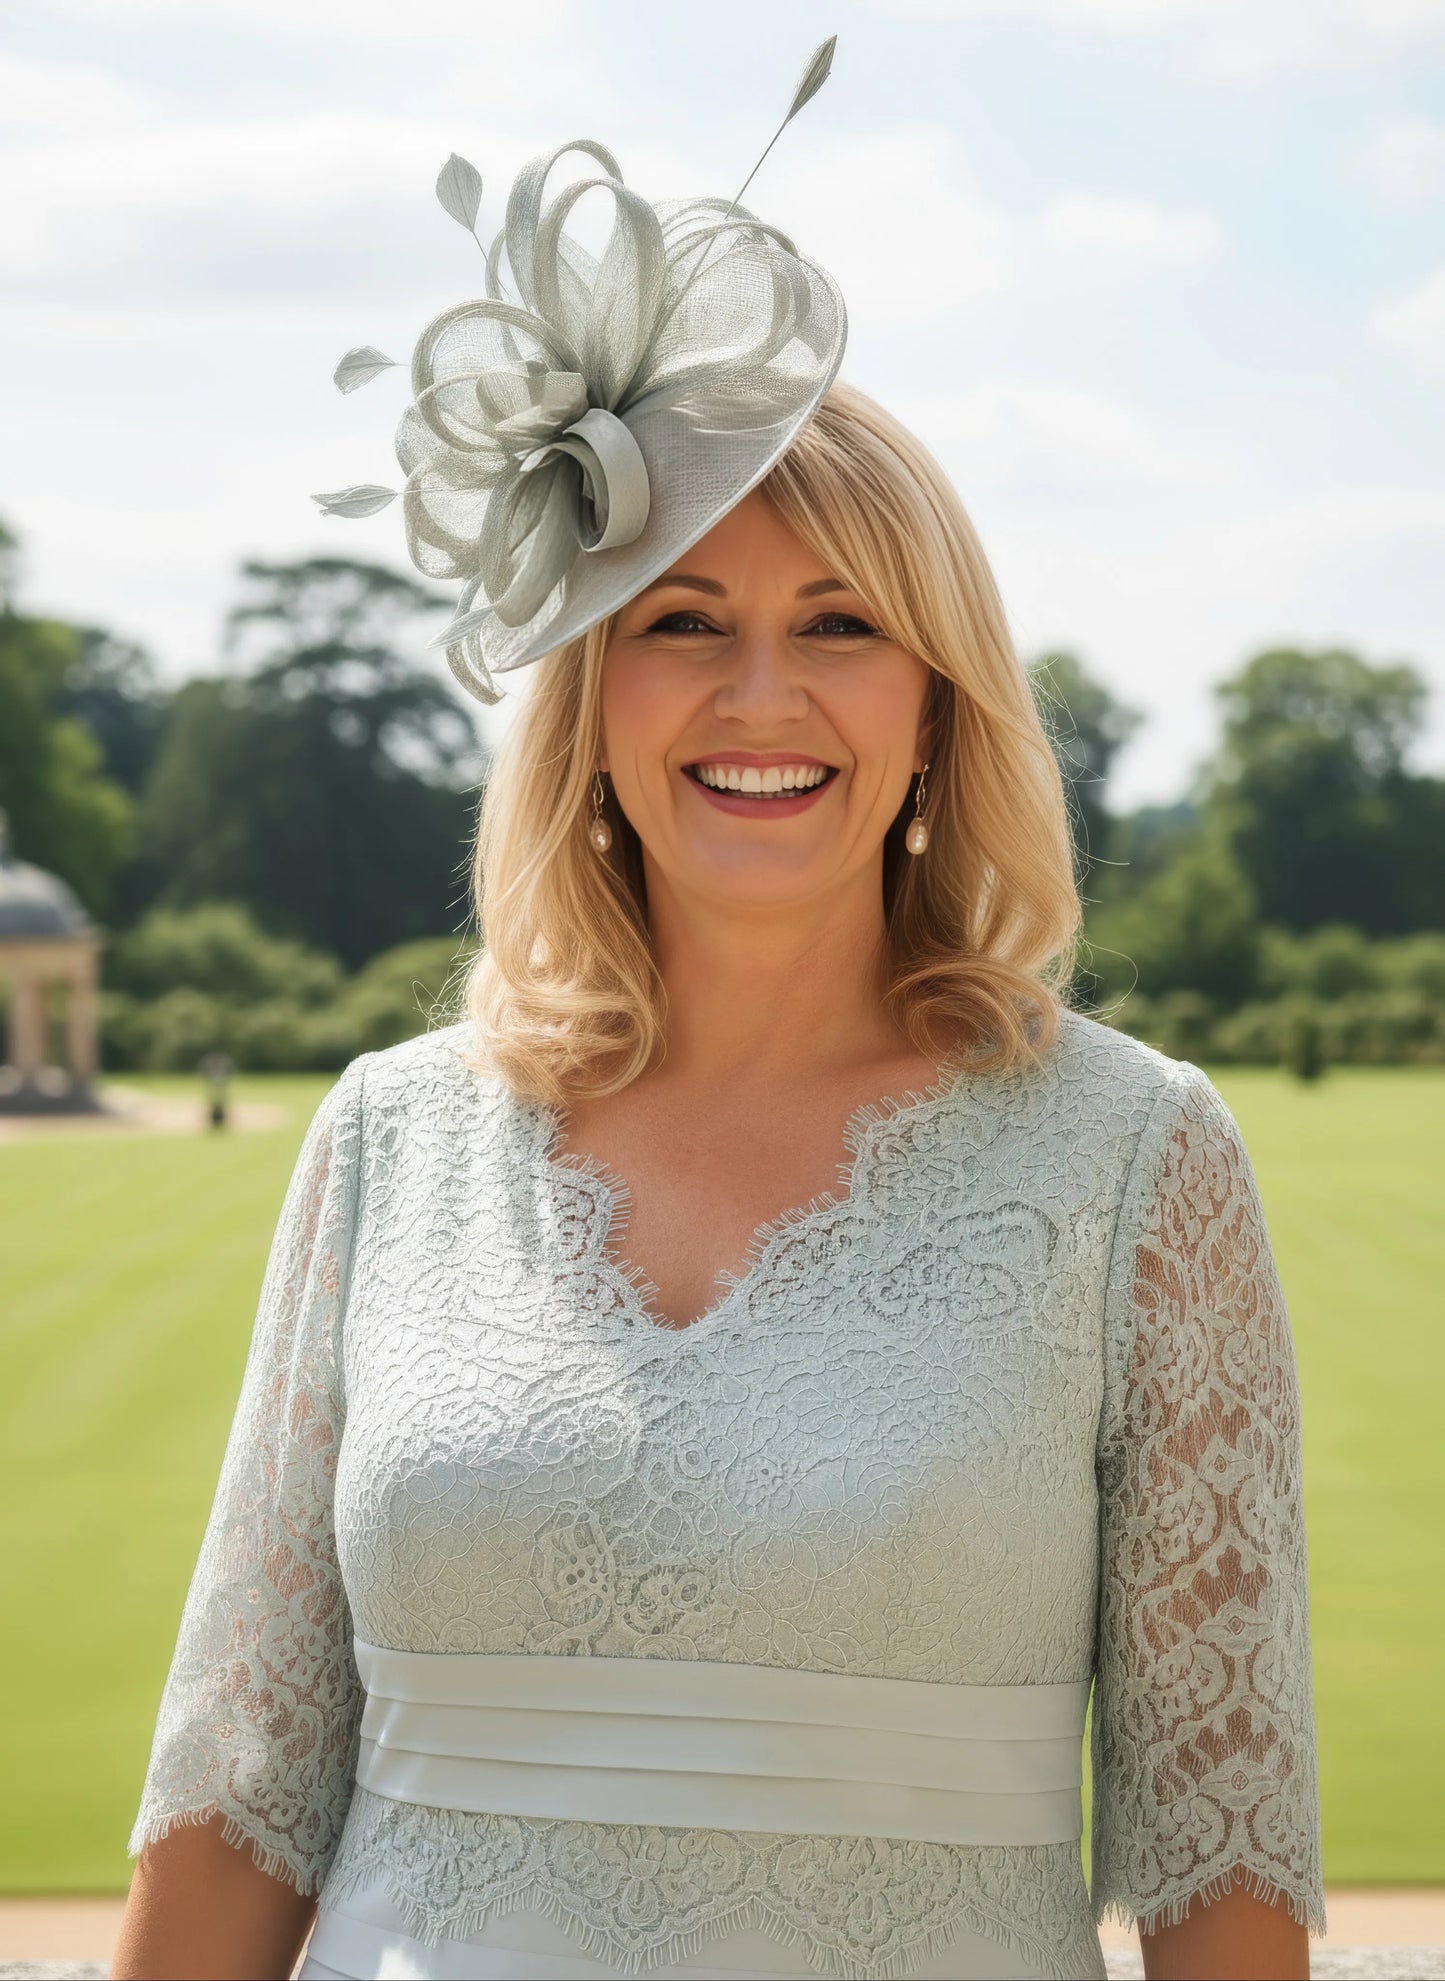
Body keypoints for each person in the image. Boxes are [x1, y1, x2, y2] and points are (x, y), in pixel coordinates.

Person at [112, 57, 1325, 1981]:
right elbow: (238, 1793)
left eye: (841, 624)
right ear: (589, 702)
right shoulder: (385, 1139)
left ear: (936, 706)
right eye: (681, 619)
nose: (761, 692)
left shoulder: (1136, 1160)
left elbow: (1219, 1863)